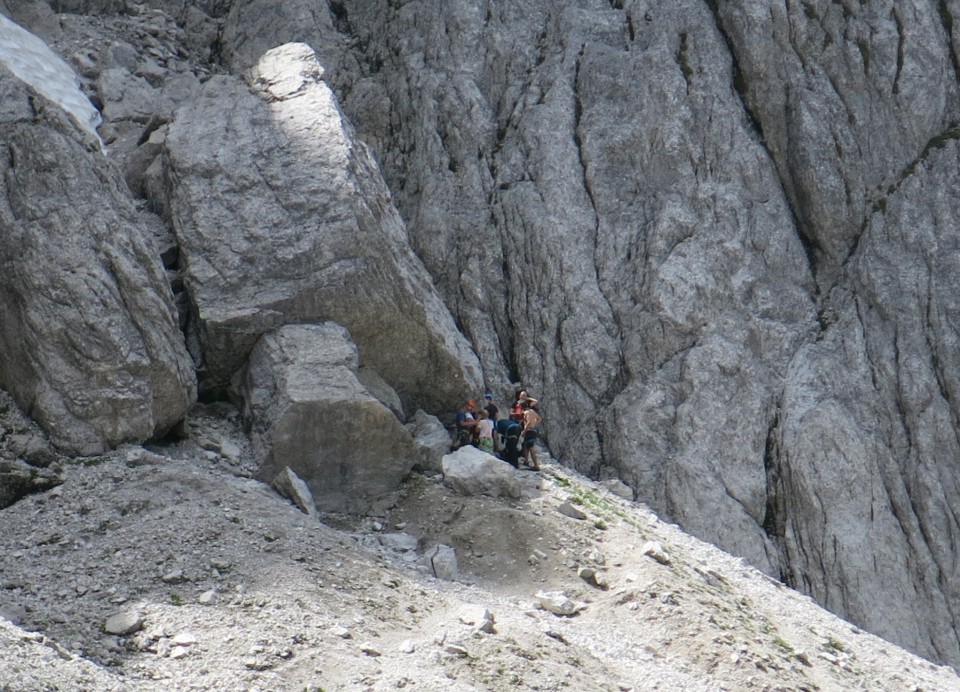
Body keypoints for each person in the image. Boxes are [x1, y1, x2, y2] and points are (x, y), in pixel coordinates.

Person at [520, 400, 542, 470]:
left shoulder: (526, 412)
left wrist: (524, 431)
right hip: (534, 430)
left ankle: (536, 465)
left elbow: (528, 422)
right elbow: (539, 419)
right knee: (526, 446)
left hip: (529, 431)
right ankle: (526, 461)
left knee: (531, 447)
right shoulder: (532, 411)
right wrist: (534, 424)